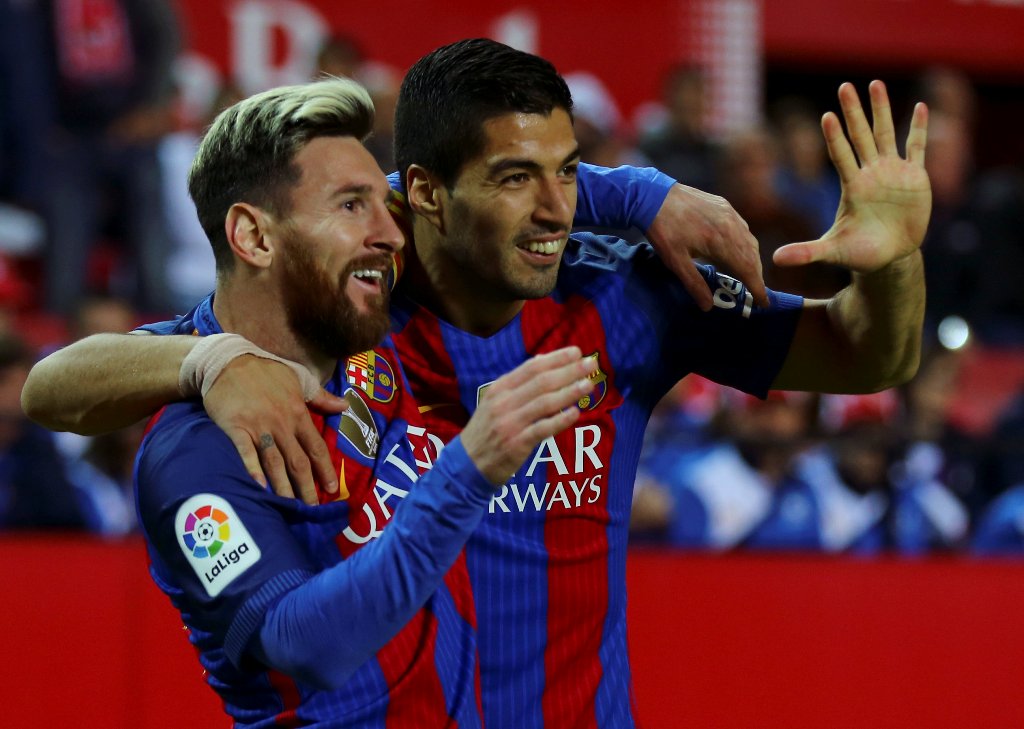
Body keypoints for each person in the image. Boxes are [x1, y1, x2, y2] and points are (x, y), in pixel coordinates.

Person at [23, 39, 931, 727]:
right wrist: (207, 358)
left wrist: (890, 260)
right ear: (423, 194)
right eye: (513, 179)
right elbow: (56, 385)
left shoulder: (632, 298)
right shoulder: (352, 310)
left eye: (568, 174)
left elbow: (868, 358)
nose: (554, 208)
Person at [91, 77, 603, 725]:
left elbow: (503, 185)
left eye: (384, 203)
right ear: (254, 237)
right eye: (353, 206)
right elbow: (307, 645)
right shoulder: (195, 454)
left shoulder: (353, 317)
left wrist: (655, 196)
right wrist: (466, 472)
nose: (393, 236)